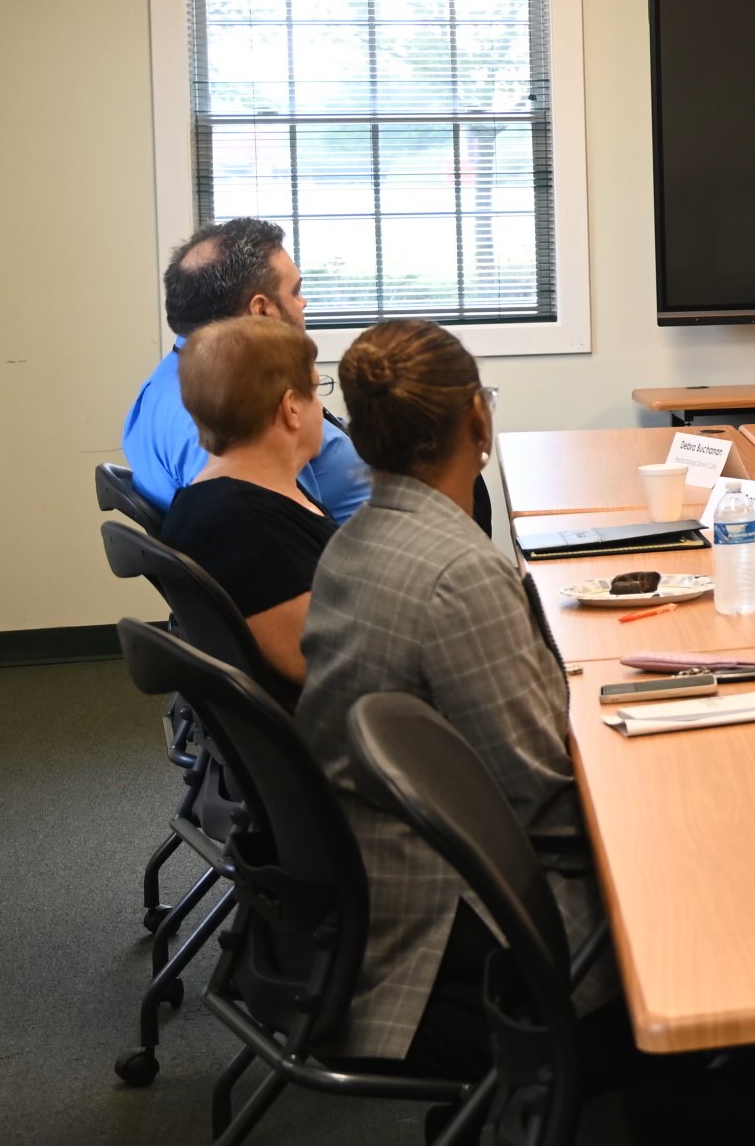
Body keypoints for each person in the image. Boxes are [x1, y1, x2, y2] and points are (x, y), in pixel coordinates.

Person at [294, 319, 610, 1074]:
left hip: (379, 889)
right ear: (478, 417)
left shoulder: (358, 538)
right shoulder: (460, 574)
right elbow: (543, 797)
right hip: (468, 926)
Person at [124, 218, 370, 520]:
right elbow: (286, 529)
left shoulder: (163, 385)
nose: (303, 303)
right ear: (261, 311)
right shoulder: (227, 413)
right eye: (295, 292)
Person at [157, 317, 334, 693]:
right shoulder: (246, 526)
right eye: (317, 392)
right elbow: (324, 665)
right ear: (291, 408)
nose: (321, 408)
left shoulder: (221, 501)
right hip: (353, 735)